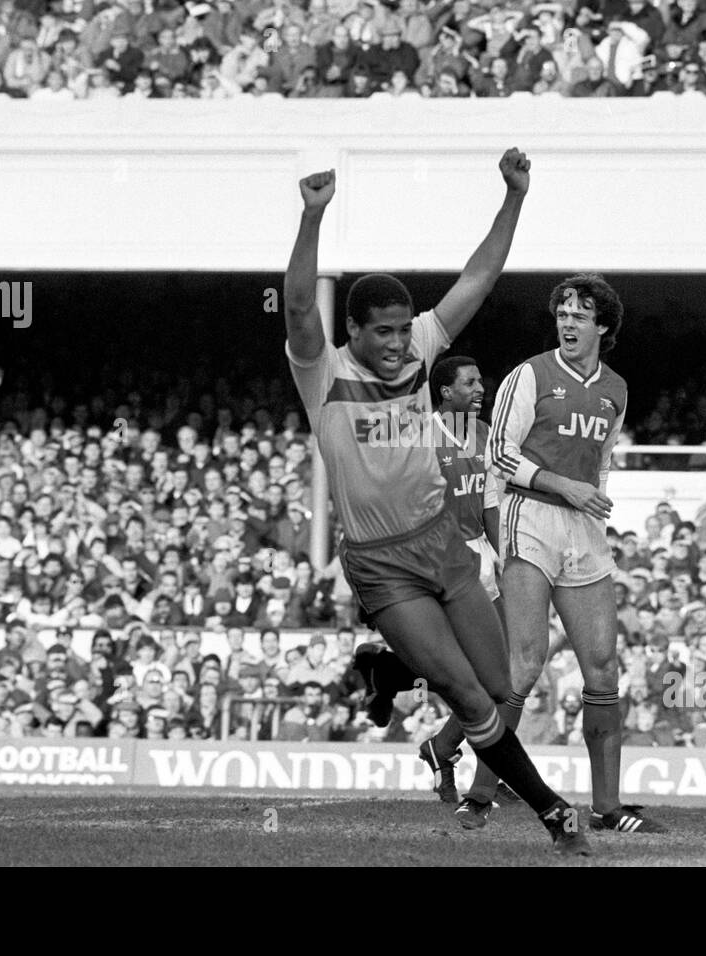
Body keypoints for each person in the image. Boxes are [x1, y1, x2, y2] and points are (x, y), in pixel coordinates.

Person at [282, 151, 588, 855]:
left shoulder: (422, 346)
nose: (395, 344)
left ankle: (388, 667)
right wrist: (312, 215)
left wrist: (514, 196)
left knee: (504, 678)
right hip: (382, 566)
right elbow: (301, 304)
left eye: (400, 329)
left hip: (442, 545)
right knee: (470, 697)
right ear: (352, 332)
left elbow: (479, 278)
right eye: (380, 332)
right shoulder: (321, 370)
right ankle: (552, 813)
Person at [483, 273, 662, 835]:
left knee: (603, 666)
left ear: (601, 326)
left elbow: (602, 460)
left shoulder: (617, 389)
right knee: (526, 660)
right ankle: (482, 794)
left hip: (583, 526)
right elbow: (499, 454)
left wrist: (591, 495)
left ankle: (608, 809)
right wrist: (565, 486)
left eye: (579, 314)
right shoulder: (529, 374)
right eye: (562, 313)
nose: (566, 321)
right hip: (530, 514)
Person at [415, 355, 502, 803]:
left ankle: (445, 748)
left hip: (483, 557)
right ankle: (460, 754)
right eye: (470, 382)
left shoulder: (487, 434)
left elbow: (490, 500)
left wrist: (505, 554)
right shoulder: (421, 435)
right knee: (490, 676)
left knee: (504, 675)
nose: (480, 388)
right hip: (445, 562)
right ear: (445, 392)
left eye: (480, 380)